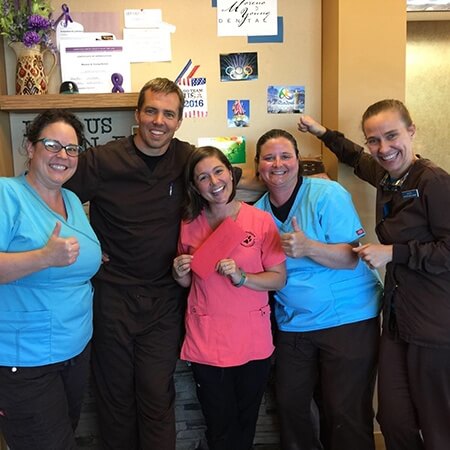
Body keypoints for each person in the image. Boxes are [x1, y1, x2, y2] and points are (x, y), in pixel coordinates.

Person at [298, 101, 450, 450]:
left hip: (434, 322)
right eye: (374, 140)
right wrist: (322, 133)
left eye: (392, 136)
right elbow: (355, 158)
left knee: (437, 422)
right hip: (397, 318)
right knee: (393, 418)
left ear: (411, 131)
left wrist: (393, 253)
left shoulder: (435, 182)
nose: (383, 148)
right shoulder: (387, 176)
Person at [254, 129, 383, 450]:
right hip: (295, 324)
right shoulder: (257, 213)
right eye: (269, 158)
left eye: (286, 156)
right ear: (258, 166)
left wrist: (309, 247)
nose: (278, 163)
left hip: (348, 320)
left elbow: (353, 257)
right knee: (291, 404)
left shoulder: (327, 193)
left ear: (299, 161)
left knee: (344, 412)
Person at [173, 146, 286, 450]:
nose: (214, 182)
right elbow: (187, 282)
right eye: (203, 177)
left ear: (230, 173)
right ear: (195, 186)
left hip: (252, 340)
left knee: (246, 422)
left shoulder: (260, 221)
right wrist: (178, 270)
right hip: (207, 340)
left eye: (218, 171)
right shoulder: (188, 223)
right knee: (218, 424)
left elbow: (279, 278)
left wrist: (243, 277)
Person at [0, 110, 101, 450]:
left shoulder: (71, 198)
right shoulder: (6, 195)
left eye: (72, 149)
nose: (63, 155)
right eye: (52, 144)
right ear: (29, 147)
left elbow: (73, 252)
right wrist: (44, 257)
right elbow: (52, 254)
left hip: (74, 352)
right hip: (26, 360)